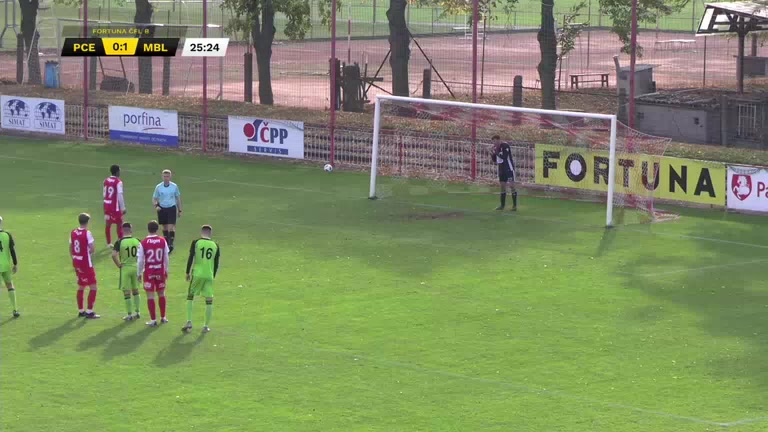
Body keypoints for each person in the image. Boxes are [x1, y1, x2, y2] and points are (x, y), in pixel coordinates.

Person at [182, 225, 220, 334]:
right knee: (209, 300)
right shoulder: (215, 245)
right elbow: (216, 263)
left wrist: (187, 272)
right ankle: (206, 326)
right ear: (210, 233)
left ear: (201, 232)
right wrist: (213, 276)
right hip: (209, 275)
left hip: (197, 274)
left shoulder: (196, 243)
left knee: (190, 296)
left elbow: (191, 257)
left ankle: (189, 321)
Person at [137, 220, 170, 327]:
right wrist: (166, 270)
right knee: (161, 293)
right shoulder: (162, 240)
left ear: (148, 229)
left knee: (150, 295)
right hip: (160, 270)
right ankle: (163, 317)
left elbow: (140, 260)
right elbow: (166, 257)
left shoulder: (143, 242)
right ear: (157, 229)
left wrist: (139, 273)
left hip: (149, 271)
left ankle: (153, 319)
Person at [70, 213, 100, 319]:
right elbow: (92, 249)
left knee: (81, 285)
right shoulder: (87, 233)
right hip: (86, 263)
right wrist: (88, 252)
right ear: (87, 222)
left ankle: (81, 310)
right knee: (93, 286)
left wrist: (74, 258)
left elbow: (71, 246)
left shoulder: (73, 232)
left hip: (77, 262)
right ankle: (89, 311)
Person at [111, 222, 142, 321]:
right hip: (136, 267)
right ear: (131, 230)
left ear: (122, 230)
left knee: (127, 292)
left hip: (125, 268)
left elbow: (113, 255)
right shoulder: (137, 241)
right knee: (136, 290)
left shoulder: (119, 242)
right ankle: (137, 312)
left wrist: (119, 265)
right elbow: (142, 255)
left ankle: (129, 314)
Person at [152, 170, 182, 254]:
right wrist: (156, 206)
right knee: (164, 227)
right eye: (164, 176)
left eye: (167, 176)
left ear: (170, 177)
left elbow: (178, 198)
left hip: (172, 208)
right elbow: (154, 198)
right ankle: (166, 244)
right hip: (162, 208)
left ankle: (170, 244)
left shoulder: (174, 186)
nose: (166, 178)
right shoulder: (158, 187)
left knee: (171, 227)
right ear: (162, 176)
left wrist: (179, 210)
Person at [491, 135, 518, 211]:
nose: (494, 143)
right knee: (502, 187)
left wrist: (496, 152)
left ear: (499, 140)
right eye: (493, 141)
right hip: (501, 169)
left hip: (508, 168)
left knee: (512, 186)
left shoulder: (505, 145)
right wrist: (492, 153)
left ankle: (514, 206)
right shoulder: (496, 148)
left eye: (495, 141)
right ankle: (502, 205)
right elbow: (495, 160)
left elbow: (504, 157)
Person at [0, 217, 20, 318]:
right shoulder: (7, 235)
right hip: (6, 265)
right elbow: (12, 250)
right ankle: (15, 309)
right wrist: (15, 264)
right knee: (10, 286)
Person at [103, 164, 127, 248]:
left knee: (108, 224)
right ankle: (120, 241)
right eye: (119, 171)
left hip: (106, 205)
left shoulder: (106, 180)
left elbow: (104, 193)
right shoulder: (118, 182)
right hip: (115, 207)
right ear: (117, 172)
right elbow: (120, 195)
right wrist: (123, 208)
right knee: (119, 224)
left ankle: (109, 243)